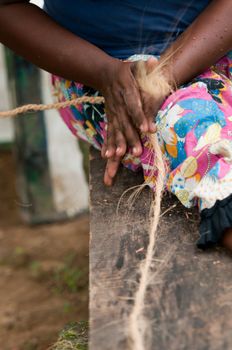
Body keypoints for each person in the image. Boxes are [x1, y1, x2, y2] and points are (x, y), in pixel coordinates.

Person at [0, 0, 232, 250]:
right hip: (109, 77)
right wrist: (105, 74)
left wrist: (168, 73)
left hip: (218, 41)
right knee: (199, 133)